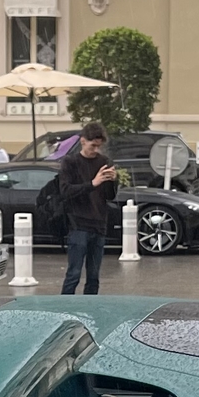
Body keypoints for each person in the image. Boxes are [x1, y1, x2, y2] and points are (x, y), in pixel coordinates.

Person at [56, 120, 122, 295]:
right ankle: (65, 308)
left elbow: (109, 196)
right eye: (93, 145)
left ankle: (90, 310)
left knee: (94, 276)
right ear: (83, 141)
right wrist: (92, 184)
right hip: (78, 224)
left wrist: (113, 181)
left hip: (99, 224)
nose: (96, 150)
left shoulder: (104, 161)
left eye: (99, 146)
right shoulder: (70, 162)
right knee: (74, 273)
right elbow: (65, 191)